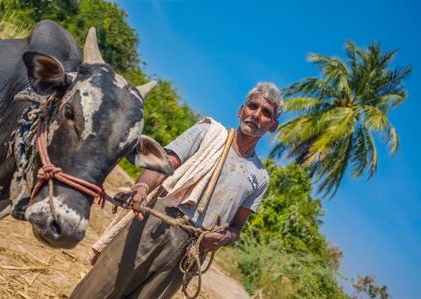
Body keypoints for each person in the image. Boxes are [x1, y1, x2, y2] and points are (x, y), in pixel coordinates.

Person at [69, 82, 284, 299]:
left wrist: (222, 238)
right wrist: (142, 187)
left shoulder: (259, 178)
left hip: (190, 252)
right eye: (253, 106)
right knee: (100, 287)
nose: (256, 115)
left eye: (266, 113)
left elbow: (237, 227)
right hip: (156, 223)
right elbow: (165, 163)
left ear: (273, 125)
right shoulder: (208, 133)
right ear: (241, 110)